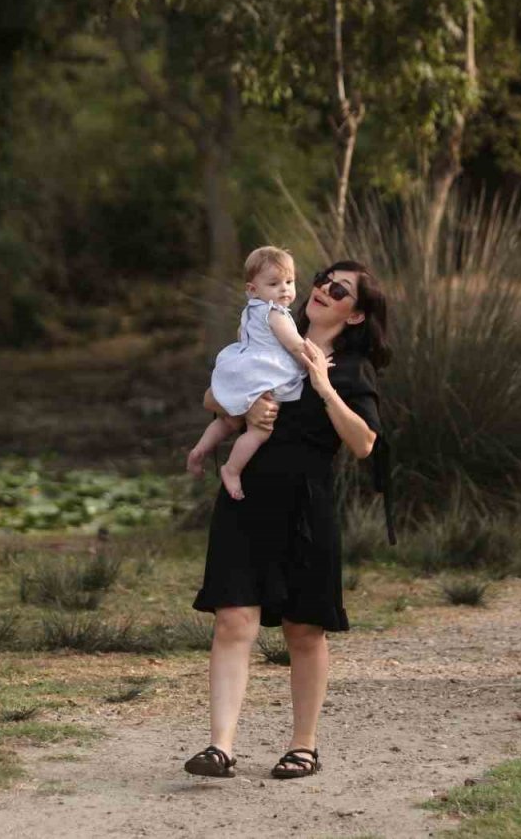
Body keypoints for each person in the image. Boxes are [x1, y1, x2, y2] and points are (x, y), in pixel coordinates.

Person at [185, 259, 391, 780]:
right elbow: (214, 394)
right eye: (322, 280)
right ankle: (220, 747)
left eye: (338, 289)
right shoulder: (271, 331)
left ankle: (304, 746)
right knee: (233, 619)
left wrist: (324, 387)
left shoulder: (351, 369)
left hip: (306, 506)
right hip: (246, 498)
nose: (322, 289)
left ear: (357, 314)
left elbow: (364, 443)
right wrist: (248, 409)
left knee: (304, 629)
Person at [187, 246, 308, 500]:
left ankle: (200, 450)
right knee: (260, 430)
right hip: (264, 376)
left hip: (244, 369)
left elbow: (243, 337)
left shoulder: (250, 311)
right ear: (252, 290)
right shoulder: (276, 314)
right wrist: (313, 362)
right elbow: (296, 345)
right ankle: (231, 469)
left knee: (230, 420)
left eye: (289, 281)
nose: (285, 289)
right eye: (274, 283)